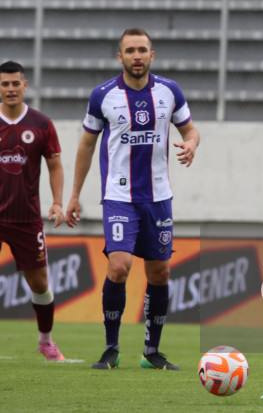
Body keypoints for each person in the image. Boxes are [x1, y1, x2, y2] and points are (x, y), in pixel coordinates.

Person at [65, 28, 200, 371]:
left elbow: (190, 129)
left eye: (142, 50)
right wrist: (75, 195)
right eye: (130, 50)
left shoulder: (169, 91)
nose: (136, 56)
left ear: (152, 55)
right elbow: (86, 145)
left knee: (160, 272)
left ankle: (151, 352)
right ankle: (111, 348)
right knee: (120, 266)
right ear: (120, 57)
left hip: (158, 198)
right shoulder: (103, 95)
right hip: (119, 197)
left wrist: (192, 143)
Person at [0, 60, 66, 361]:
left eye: (16, 83)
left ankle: (45, 341)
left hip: (27, 218)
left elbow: (54, 164)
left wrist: (57, 201)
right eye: (5, 84)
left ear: (25, 85)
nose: (10, 89)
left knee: (39, 283)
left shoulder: (41, 124)